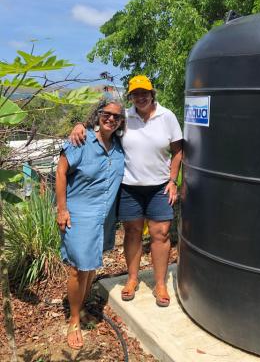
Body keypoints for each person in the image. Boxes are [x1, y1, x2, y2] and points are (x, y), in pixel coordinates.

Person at [70, 75, 183, 308]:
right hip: (130, 187)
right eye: (135, 94)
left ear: (152, 94)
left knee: (160, 234)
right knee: (132, 233)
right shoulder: (124, 117)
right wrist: (80, 125)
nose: (141, 97)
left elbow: (178, 150)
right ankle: (132, 279)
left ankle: (160, 283)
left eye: (145, 93)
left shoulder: (167, 116)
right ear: (130, 96)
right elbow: (101, 127)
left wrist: (173, 180)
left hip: (160, 187)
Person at [56, 97, 125, 349]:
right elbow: (61, 171)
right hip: (79, 216)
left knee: (92, 263)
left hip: (103, 218)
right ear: (98, 114)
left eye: (117, 117)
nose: (111, 119)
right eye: (107, 114)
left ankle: (82, 306)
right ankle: (74, 319)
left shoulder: (119, 147)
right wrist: (61, 209)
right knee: (78, 268)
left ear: (121, 122)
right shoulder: (81, 140)